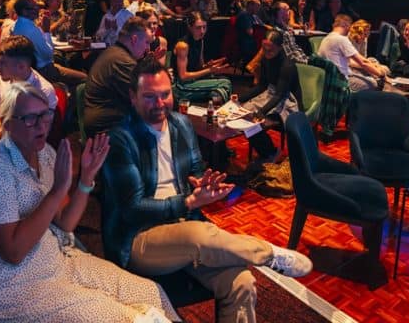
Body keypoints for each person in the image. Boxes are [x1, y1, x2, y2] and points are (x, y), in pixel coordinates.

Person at [102, 59, 313, 323]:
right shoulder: (120, 139)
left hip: (184, 226)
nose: (159, 103)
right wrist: (188, 202)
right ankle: (268, 254)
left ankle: (262, 258)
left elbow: (196, 169)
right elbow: (132, 210)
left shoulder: (181, 124)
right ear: (133, 97)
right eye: (149, 96)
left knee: (242, 282)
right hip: (138, 238)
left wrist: (204, 185)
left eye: (165, 94)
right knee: (198, 234)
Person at [0, 82, 177, 323]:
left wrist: (86, 179)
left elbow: (66, 222)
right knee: (122, 319)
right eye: (30, 119)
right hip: (13, 287)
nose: (42, 125)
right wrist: (57, 191)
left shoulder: (45, 153)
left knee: (152, 292)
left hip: (58, 261)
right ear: (7, 124)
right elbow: (13, 252)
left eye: (45, 115)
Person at [84, 17, 154, 136]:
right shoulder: (123, 61)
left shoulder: (113, 52)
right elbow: (143, 99)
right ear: (134, 39)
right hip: (107, 130)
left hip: (108, 123)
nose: (148, 48)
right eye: (146, 42)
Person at [238, 31, 300, 162]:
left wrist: (261, 112)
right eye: (263, 48)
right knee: (242, 116)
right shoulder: (266, 59)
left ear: (280, 47)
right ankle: (266, 152)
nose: (266, 52)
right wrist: (240, 98)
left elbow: (280, 95)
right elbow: (262, 85)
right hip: (271, 94)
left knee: (254, 124)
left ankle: (271, 153)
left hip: (287, 101)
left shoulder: (287, 65)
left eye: (270, 49)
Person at [12, 0, 86, 87]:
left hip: (33, 69)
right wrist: (46, 31)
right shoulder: (30, 29)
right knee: (85, 78)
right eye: (34, 7)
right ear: (24, 11)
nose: (37, 9)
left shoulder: (18, 25)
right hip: (43, 70)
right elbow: (49, 54)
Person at [318, 14, 390, 91]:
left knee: (377, 69)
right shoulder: (341, 39)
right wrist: (381, 74)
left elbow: (363, 59)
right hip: (341, 79)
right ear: (346, 25)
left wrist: (374, 66)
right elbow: (363, 62)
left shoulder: (326, 38)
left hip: (332, 77)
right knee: (373, 83)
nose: (350, 29)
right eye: (349, 26)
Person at [173, 12, 232, 102]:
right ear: (190, 27)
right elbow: (183, 76)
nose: (202, 31)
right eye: (198, 27)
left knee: (224, 81)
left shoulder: (200, 41)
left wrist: (209, 65)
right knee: (225, 84)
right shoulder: (183, 46)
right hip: (181, 86)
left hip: (193, 80)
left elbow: (200, 67)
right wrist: (209, 70)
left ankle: (214, 101)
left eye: (204, 27)